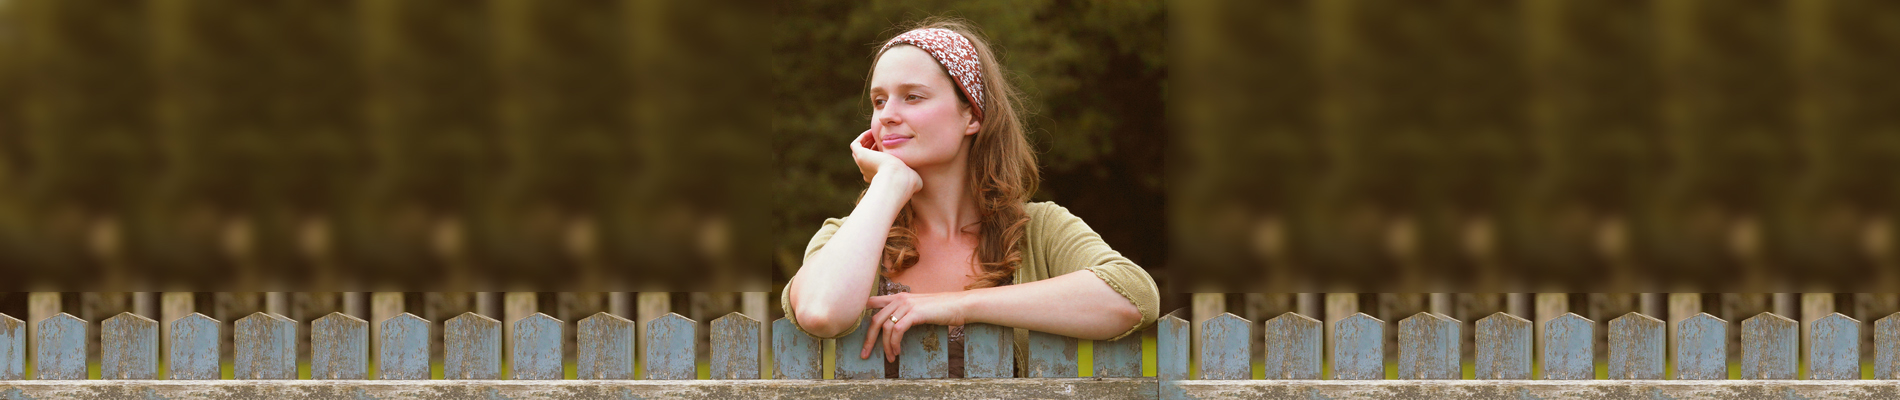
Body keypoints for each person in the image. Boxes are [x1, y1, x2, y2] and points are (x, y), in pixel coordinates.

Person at [782, 18, 1158, 377]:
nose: (887, 116)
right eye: (879, 102)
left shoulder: (1039, 229)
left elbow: (1133, 298)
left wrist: (957, 305)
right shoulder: (849, 237)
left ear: (971, 116)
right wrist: (889, 183)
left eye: (912, 97)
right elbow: (821, 312)